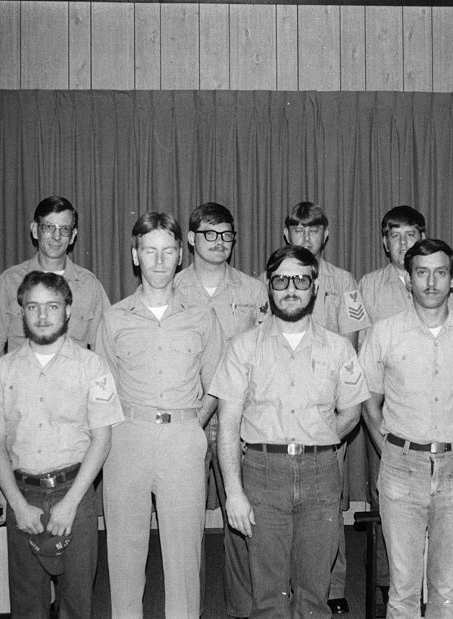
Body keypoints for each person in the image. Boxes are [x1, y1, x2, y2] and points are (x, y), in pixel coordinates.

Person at [211, 245, 369, 618]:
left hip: (321, 474)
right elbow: (228, 425)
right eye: (281, 279)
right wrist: (233, 492)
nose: (291, 288)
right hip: (263, 473)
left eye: (301, 279)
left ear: (314, 286)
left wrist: (320, 436)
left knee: (314, 592)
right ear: (269, 285)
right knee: (268, 593)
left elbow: (352, 412)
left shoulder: (338, 347)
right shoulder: (243, 348)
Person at [359, 239, 453, 618]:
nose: (431, 282)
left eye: (440, 273)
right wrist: (392, 449)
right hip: (401, 471)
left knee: (445, 590)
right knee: (403, 591)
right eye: (421, 273)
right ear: (408, 280)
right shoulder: (384, 333)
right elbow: (369, 406)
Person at [96, 212, 225, 618]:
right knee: (124, 552)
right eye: (149, 251)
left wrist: (193, 426)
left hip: (183, 437)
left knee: (185, 556)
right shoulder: (115, 317)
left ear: (180, 257)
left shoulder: (201, 316)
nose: (158, 261)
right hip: (127, 439)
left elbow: (218, 383)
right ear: (135, 256)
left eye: (168, 252)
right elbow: (103, 388)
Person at [0, 271, 124, 617]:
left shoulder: (92, 367)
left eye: (52, 306)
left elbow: (102, 439)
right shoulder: (2, 370)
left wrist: (71, 503)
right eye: (33, 307)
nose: (43, 316)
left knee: (77, 602)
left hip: (75, 494)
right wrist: (16, 502)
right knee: (27, 603)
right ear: (22, 312)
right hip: (22, 496)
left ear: (68, 310)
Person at [174, 202, 268, 618]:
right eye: (209, 234)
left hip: (239, 421)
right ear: (191, 238)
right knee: (185, 521)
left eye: (226, 234)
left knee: (242, 517)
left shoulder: (254, 291)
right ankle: (186, 606)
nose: (218, 242)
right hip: (186, 418)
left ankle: (243, 608)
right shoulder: (169, 288)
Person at [281, 201, 369, 614]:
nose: (305, 238)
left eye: (312, 231)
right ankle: (291, 589)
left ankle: (332, 587)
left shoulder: (344, 280)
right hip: (286, 409)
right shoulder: (278, 276)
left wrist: (341, 407)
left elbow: (353, 345)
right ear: (287, 235)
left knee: (328, 500)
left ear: (325, 235)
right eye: (297, 231)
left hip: (331, 409)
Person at [0, 195, 111, 359]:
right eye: (49, 227)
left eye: (64, 229)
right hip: (23, 382)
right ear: (34, 230)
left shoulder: (89, 285)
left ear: (73, 235)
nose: (57, 236)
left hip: (73, 381)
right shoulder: (9, 281)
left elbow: (103, 350)